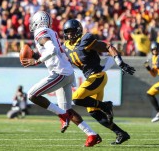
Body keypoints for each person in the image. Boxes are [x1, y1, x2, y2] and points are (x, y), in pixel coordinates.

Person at [20, 11, 101, 147]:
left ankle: (62, 115)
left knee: (32, 95)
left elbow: (52, 50)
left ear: (37, 21)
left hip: (60, 73)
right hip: (66, 72)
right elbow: (54, 50)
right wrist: (34, 55)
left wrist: (37, 61)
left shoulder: (40, 31)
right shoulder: (50, 31)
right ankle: (92, 135)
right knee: (68, 109)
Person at [62, 19, 135, 145]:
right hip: (91, 78)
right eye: (67, 32)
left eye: (72, 31)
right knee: (93, 111)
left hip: (97, 76)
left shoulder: (85, 40)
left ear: (78, 31)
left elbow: (108, 46)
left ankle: (105, 106)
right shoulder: (65, 47)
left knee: (77, 99)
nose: (70, 34)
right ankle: (121, 133)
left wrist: (120, 63)